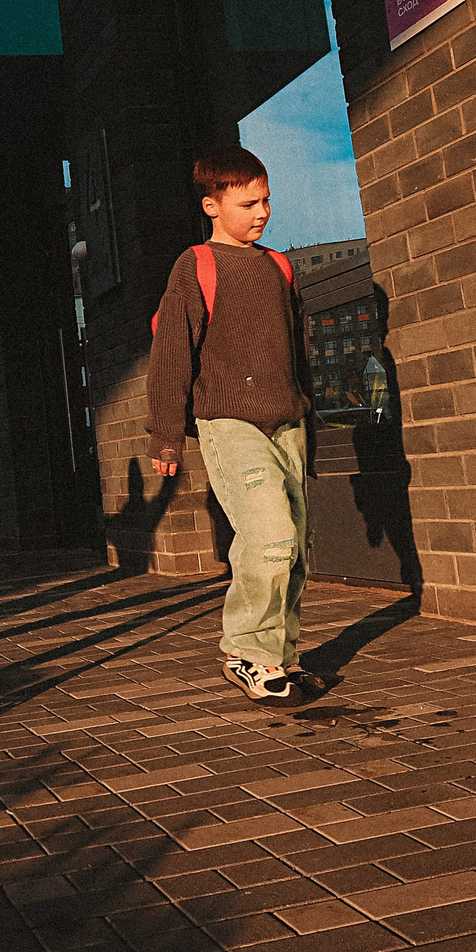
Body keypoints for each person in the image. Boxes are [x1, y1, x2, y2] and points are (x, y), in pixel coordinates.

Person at [146, 146, 317, 704]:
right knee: (269, 538)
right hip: (229, 422)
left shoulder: (278, 265)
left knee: (295, 547)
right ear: (212, 206)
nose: (262, 212)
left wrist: (306, 405)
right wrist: (166, 435)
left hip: (285, 422)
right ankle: (245, 649)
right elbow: (173, 351)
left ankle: (280, 657)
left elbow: (299, 347)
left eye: (266, 200)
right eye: (248, 203)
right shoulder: (197, 265)